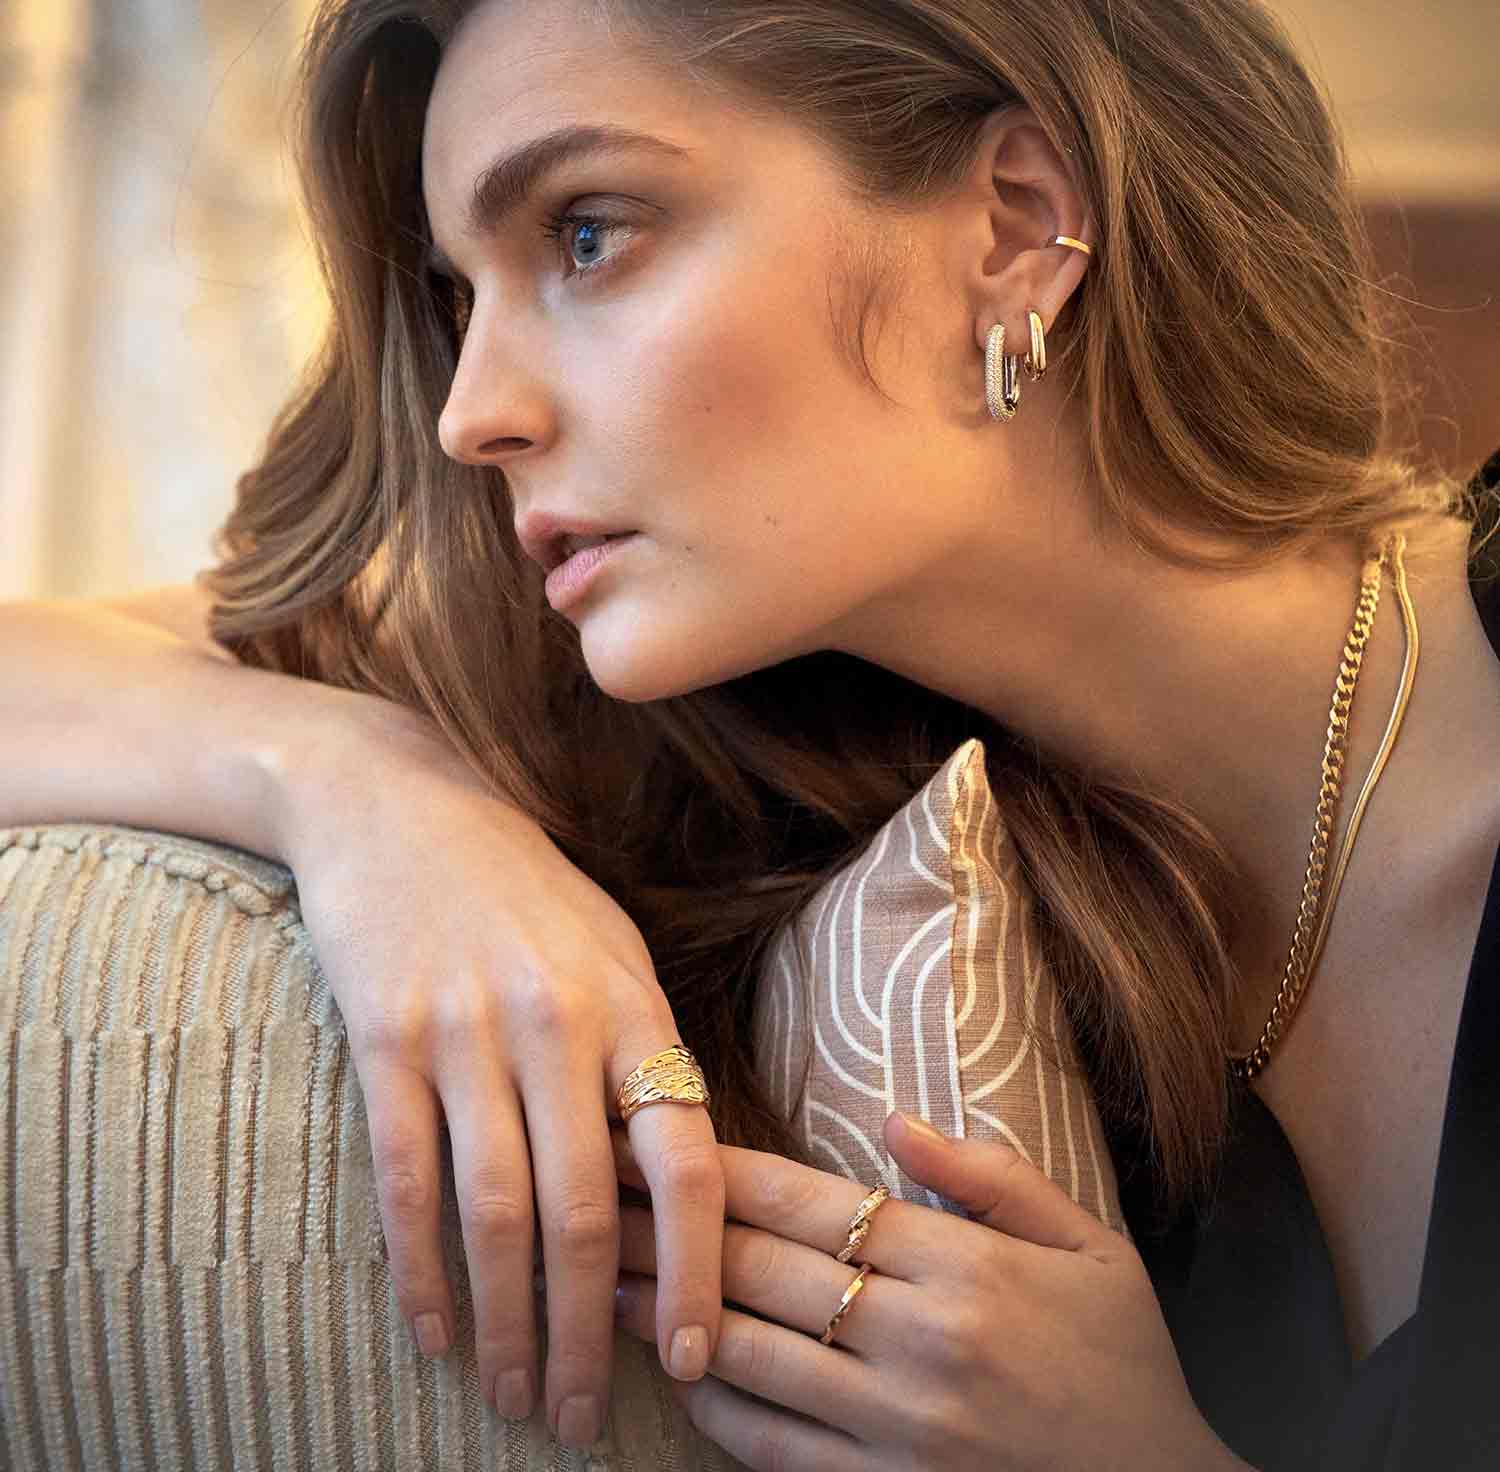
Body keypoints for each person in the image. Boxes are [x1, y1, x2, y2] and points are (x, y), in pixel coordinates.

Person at [2, 0, 1496, 1466]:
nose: (471, 414)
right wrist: (359, 788)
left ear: (1016, 229)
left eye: (589, 233)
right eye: (461, 299)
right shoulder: (766, 711)